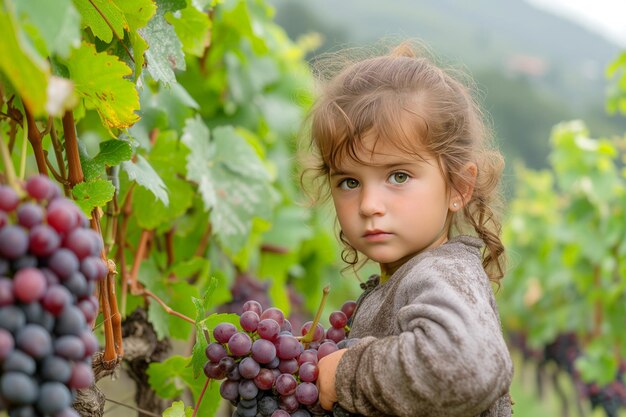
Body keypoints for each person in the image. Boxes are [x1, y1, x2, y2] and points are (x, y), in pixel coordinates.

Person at [301, 40, 514, 417]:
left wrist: (350, 373)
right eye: (349, 182)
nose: (369, 205)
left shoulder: (440, 273)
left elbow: (467, 368)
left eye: (398, 176)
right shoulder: (404, 277)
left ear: (458, 187)